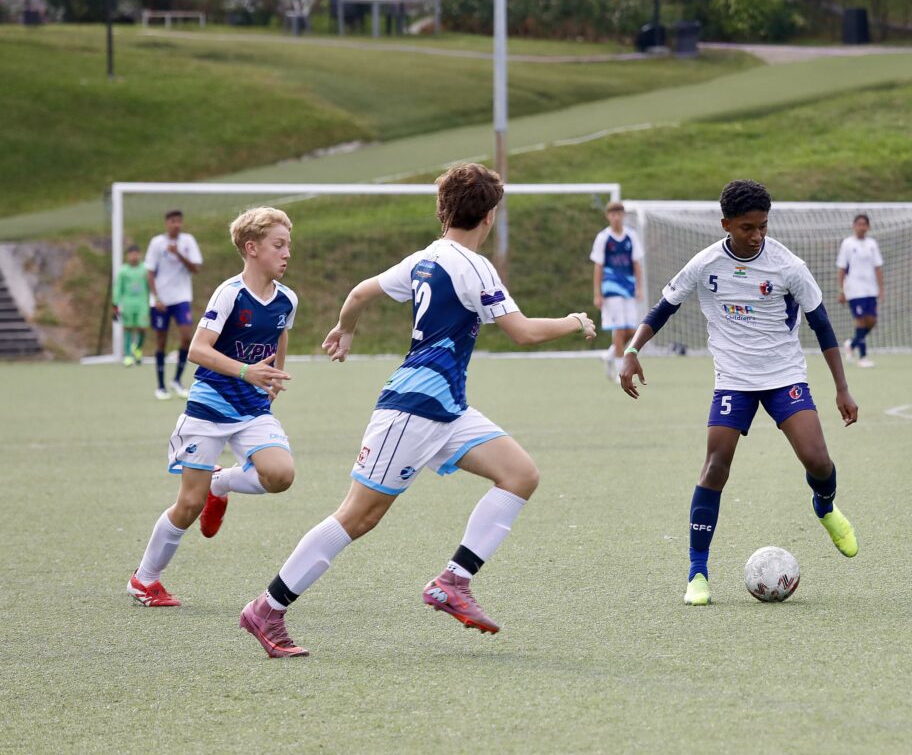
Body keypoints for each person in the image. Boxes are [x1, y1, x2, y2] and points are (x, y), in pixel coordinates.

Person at [239, 163, 596, 658]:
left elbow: (360, 293)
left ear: (443, 210)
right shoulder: (473, 265)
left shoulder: (425, 257)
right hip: (412, 408)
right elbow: (522, 332)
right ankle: (267, 608)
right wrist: (574, 320)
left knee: (519, 474)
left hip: (446, 406)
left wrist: (347, 328)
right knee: (358, 516)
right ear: (489, 215)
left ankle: (454, 581)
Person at [619, 180, 859, 607]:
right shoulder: (705, 264)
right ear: (726, 224)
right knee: (715, 467)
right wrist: (632, 351)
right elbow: (663, 308)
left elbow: (822, 324)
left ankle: (824, 506)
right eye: (748, 227)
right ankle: (697, 572)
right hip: (733, 380)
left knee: (818, 461)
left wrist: (842, 387)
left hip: (784, 375)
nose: (757, 235)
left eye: (763, 226)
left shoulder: (788, 265)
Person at [127, 207, 298, 608]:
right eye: (278, 245)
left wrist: (274, 375)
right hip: (210, 407)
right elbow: (198, 350)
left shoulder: (287, 299)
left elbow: (280, 334)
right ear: (252, 248)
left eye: (288, 245)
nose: (287, 253)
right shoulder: (230, 293)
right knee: (189, 504)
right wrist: (247, 371)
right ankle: (144, 580)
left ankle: (220, 483)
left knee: (281, 475)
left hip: (252, 408)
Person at [145, 209, 203, 400]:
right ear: (166, 223)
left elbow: (195, 268)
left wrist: (178, 253)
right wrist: (156, 297)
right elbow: (149, 272)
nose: (176, 224)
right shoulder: (157, 243)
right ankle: (161, 386)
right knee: (161, 341)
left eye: (179, 221)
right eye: (172, 221)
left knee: (187, 337)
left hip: (181, 298)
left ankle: (177, 380)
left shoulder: (188, 241)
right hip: (161, 300)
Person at [591, 201, 643, 380]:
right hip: (611, 289)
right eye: (613, 214)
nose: (616, 217)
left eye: (619, 214)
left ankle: (609, 355)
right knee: (619, 330)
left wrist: (639, 287)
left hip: (629, 288)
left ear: (623, 215)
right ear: (608, 216)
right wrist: (597, 293)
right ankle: (622, 373)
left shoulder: (631, 236)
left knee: (632, 331)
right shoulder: (603, 238)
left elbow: (636, 263)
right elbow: (598, 266)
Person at [837, 214, 884, 368]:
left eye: (864, 224)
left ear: (868, 227)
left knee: (872, 321)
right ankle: (863, 357)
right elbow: (842, 268)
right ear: (854, 226)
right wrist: (841, 290)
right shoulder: (847, 244)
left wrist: (881, 289)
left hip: (871, 289)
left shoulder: (872, 244)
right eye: (859, 224)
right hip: (854, 290)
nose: (861, 227)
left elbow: (878, 267)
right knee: (860, 320)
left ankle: (852, 344)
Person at [113, 244, 149, 367]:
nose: (134, 257)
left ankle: (138, 348)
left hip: (142, 303)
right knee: (127, 328)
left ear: (140, 255)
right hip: (128, 303)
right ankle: (128, 355)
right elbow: (118, 288)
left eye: (136, 254)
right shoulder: (123, 271)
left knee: (143, 327)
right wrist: (115, 304)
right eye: (131, 254)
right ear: (128, 256)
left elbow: (150, 285)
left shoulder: (145, 269)